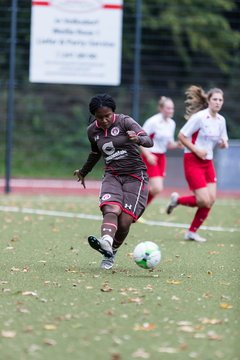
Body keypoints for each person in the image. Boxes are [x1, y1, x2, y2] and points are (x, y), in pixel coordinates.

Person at [74, 94, 153, 269]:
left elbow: (149, 141)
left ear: (113, 112)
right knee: (111, 208)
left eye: (107, 116)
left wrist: (138, 139)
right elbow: (95, 154)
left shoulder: (125, 122)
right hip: (112, 175)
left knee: (124, 222)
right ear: (94, 116)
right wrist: (83, 171)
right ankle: (106, 243)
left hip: (135, 176)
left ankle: (112, 251)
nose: (104, 120)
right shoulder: (92, 131)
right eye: (99, 117)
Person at [166, 86, 228, 242]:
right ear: (208, 100)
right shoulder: (199, 117)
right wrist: (196, 150)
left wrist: (223, 143)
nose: (218, 102)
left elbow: (223, 138)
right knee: (203, 201)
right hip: (193, 160)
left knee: (211, 200)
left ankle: (191, 232)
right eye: (215, 99)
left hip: (208, 163)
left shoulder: (221, 120)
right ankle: (178, 201)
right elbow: (181, 136)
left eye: (220, 100)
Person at [141, 96, 179, 206]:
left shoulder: (172, 123)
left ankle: (138, 208)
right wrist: (148, 155)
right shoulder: (153, 121)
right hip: (151, 155)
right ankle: (137, 207)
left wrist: (179, 144)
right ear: (161, 108)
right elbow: (140, 141)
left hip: (161, 157)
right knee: (157, 187)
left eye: (172, 108)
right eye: (168, 108)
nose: (171, 111)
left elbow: (169, 144)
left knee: (156, 189)